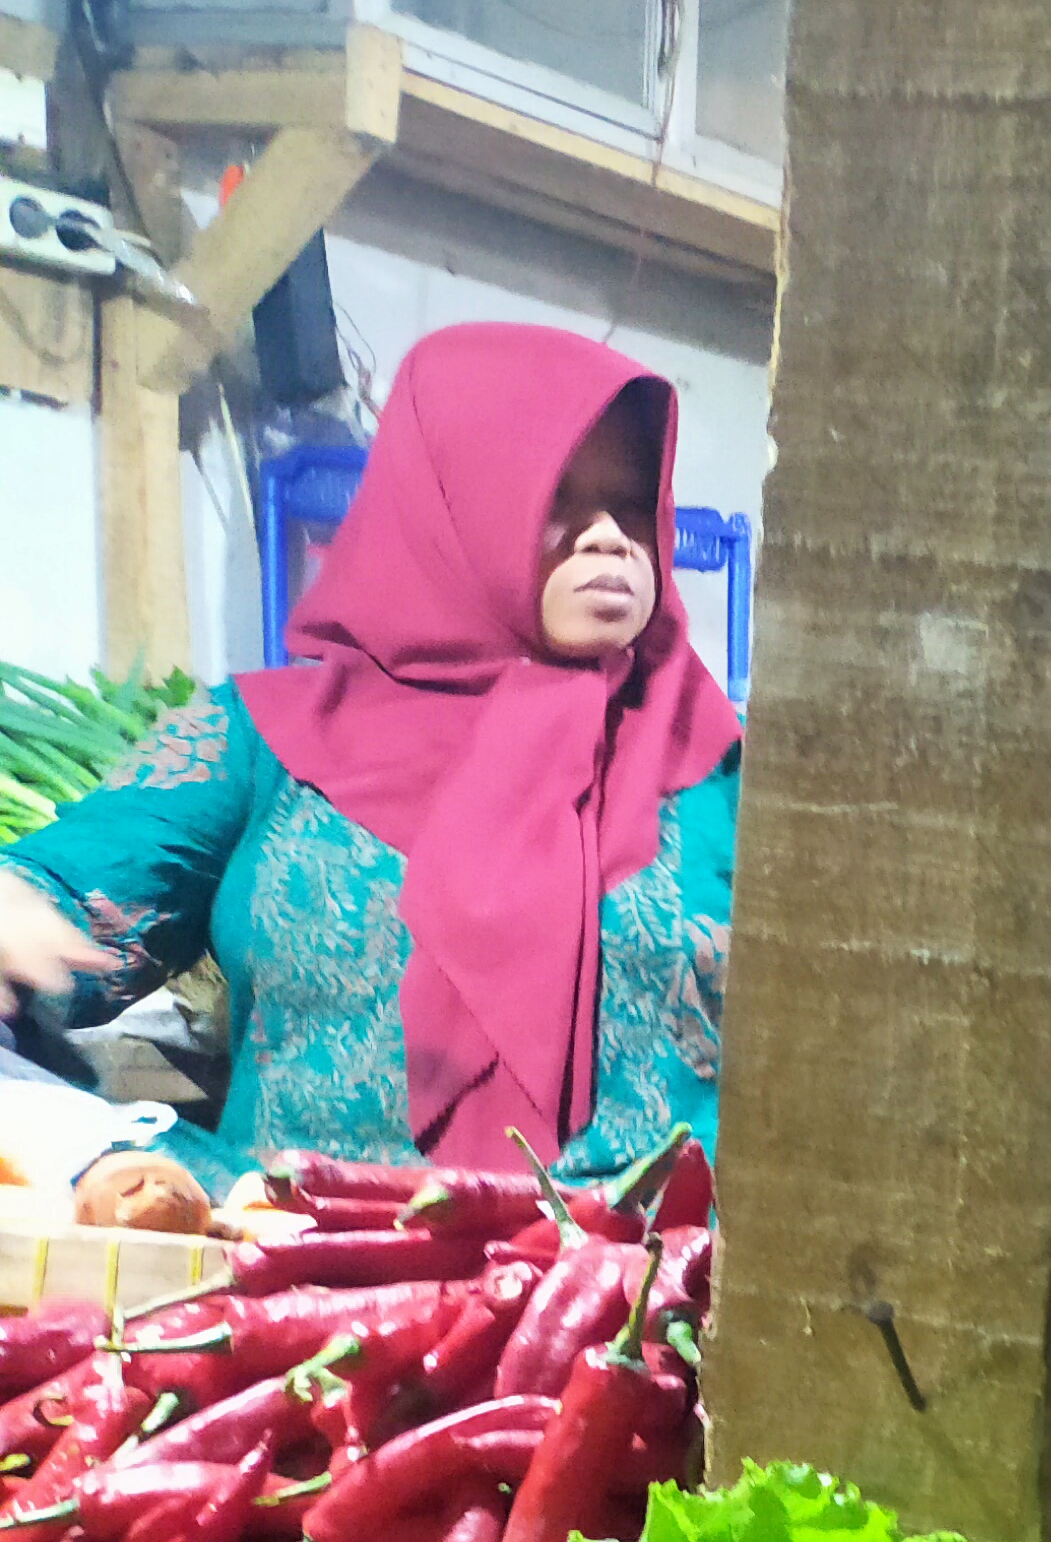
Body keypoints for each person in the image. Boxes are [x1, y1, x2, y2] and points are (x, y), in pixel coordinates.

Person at [0, 323, 741, 1192]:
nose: (611, 538)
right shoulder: (265, 740)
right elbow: (51, 911)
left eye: (631, 507)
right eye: (558, 501)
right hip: (302, 1276)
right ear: (451, 500)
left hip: (651, 1297)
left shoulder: (721, 768)